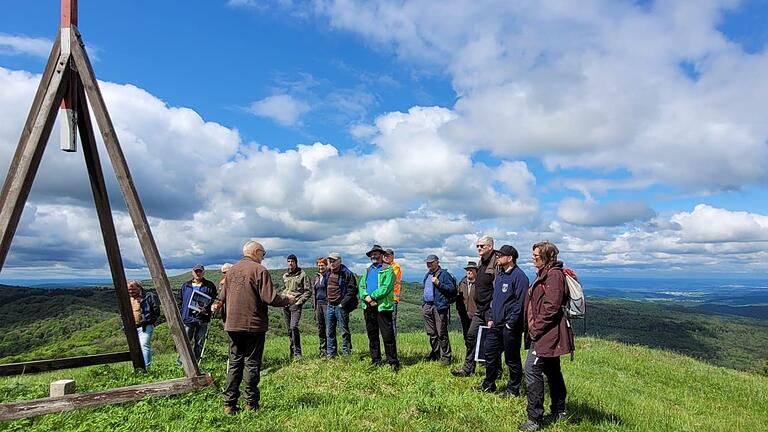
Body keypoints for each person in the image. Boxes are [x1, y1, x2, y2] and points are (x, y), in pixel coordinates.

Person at [217, 240, 296, 415]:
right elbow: (270, 298)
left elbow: (221, 297)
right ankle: (251, 404)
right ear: (257, 252)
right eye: (263, 254)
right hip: (253, 324)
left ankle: (229, 405)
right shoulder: (259, 270)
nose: (263, 257)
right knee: (251, 363)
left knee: (235, 363)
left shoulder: (231, 272)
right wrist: (287, 300)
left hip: (232, 324)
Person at [519, 241, 574, 431]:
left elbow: (552, 308)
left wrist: (535, 329)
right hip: (545, 333)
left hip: (546, 334)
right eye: (533, 255)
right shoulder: (545, 273)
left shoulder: (554, 275)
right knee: (552, 371)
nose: (533, 258)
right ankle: (559, 410)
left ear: (548, 256)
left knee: (532, 371)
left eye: (536, 255)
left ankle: (534, 418)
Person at [479, 245, 529, 397]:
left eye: (501, 255)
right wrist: (491, 318)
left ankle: (513, 390)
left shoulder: (520, 277)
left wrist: (510, 324)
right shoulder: (500, 275)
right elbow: (496, 299)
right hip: (496, 324)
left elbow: (520, 304)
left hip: (510, 327)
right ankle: (489, 384)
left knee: (511, 358)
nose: (498, 257)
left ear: (510, 258)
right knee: (489, 353)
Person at [452, 235, 500, 377]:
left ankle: (495, 371)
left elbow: (497, 288)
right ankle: (468, 368)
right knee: (471, 336)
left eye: (482, 246)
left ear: (490, 247)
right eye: (477, 246)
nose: (479, 248)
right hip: (480, 309)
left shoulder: (495, 262)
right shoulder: (481, 262)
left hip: (490, 309)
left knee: (492, 340)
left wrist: (492, 310)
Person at [358, 244, 400, 369]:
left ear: (381, 255)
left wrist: (373, 297)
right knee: (372, 335)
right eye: (372, 254)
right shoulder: (368, 269)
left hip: (383, 307)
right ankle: (375, 360)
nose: (373, 256)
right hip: (368, 306)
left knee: (388, 335)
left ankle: (393, 362)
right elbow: (361, 286)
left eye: (376, 254)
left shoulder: (388, 270)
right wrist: (366, 297)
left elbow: (386, 288)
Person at [176, 264, 218, 366]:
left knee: (199, 342)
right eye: (196, 271)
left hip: (202, 319)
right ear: (192, 272)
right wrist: (182, 312)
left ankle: (196, 363)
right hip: (187, 318)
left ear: (203, 272)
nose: (198, 273)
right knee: (185, 341)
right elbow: (179, 300)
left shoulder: (210, 285)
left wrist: (208, 309)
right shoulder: (186, 286)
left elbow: (213, 300)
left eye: (200, 271)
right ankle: (181, 363)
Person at [421, 254, 457, 365]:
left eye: (431, 262)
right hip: (427, 306)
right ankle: (436, 354)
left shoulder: (443, 274)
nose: (429, 264)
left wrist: (439, 283)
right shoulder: (428, 274)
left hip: (439, 306)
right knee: (431, 333)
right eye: (428, 262)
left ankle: (446, 357)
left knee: (441, 333)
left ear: (437, 262)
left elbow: (451, 289)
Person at [326, 252, 357, 357]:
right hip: (330, 305)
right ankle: (331, 353)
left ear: (340, 261)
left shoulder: (347, 273)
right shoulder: (328, 272)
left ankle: (346, 353)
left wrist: (342, 304)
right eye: (330, 261)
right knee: (330, 331)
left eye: (334, 261)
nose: (332, 263)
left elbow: (352, 291)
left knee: (344, 331)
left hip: (340, 306)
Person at [281, 254, 311, 360]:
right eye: (288, 261)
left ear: (296, 262)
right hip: (285, 305)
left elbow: (308, 291)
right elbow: (284, 289)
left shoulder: (302, 274)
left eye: (292, 261)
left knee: (294, 327)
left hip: (296, 305)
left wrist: (299, 302)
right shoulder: (285, 275)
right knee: (289, 329)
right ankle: (292, 351)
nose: (290, 263)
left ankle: (297, 353)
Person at [127, 280, 160, 368]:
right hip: (132, 327)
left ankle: (147, 368)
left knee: (144, 345)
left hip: (145, 326)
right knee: (135, 348)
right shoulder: (127, 298)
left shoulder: (148, 296)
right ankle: (139, 368)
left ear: (139, 288)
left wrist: (150, 320)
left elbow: (156, 311)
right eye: (129, 290)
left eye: (132, 289)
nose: (130, 291)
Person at [452, 261, 478, 375]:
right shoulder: (462, 282)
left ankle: (468, 367)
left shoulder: (480, 283)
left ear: (476, 271)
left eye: (471, 270)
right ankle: (470, 367)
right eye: (467, 269)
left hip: (476, 316)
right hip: (464, 316)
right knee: (468, 340)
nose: (469, 271)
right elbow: (458, 298)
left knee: (473, 340)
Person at [312, 256, 330, 358]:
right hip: (318, 304)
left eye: (322, 265)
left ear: (326, 265)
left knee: (329, 328)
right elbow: (314, 292)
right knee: (321, 327)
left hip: (327, 304)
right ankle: (322, 350)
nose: (320, 267)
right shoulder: (316, 277)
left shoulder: (329, 276)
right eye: (318, 265)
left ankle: (330, 350)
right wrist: (314, 308)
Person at [383, 248, 402, 335]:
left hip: (392, 297)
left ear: (392, 256)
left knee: (391, 320)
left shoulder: (395, 266)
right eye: (385, 255)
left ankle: (393, 343)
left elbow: (390, 280)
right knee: (384, 320)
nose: (386, 257)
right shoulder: (383, 265)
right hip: (383, 296)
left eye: (388, 255)